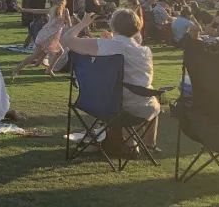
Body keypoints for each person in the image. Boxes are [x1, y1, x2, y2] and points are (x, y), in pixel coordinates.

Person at [61, 9, 161, 147]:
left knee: (124, 94)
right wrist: (109, 42)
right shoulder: (145, 51)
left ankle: (130, 143)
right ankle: (148, 144)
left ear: (113, 25)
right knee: (152, 100)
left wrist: (83, 23)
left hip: (102, 102)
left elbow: (66, 40)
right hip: (137, 106)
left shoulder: (107, 45)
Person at [13, 0, 71, 78]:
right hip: (49, 36)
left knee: (58, 52)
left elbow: (37, 10)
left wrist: (22, 9)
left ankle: (49, 69)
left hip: (46, 35)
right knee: (35, 55)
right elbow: (70, 25)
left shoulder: (52, 9)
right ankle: (17, 69)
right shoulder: (65, 11)